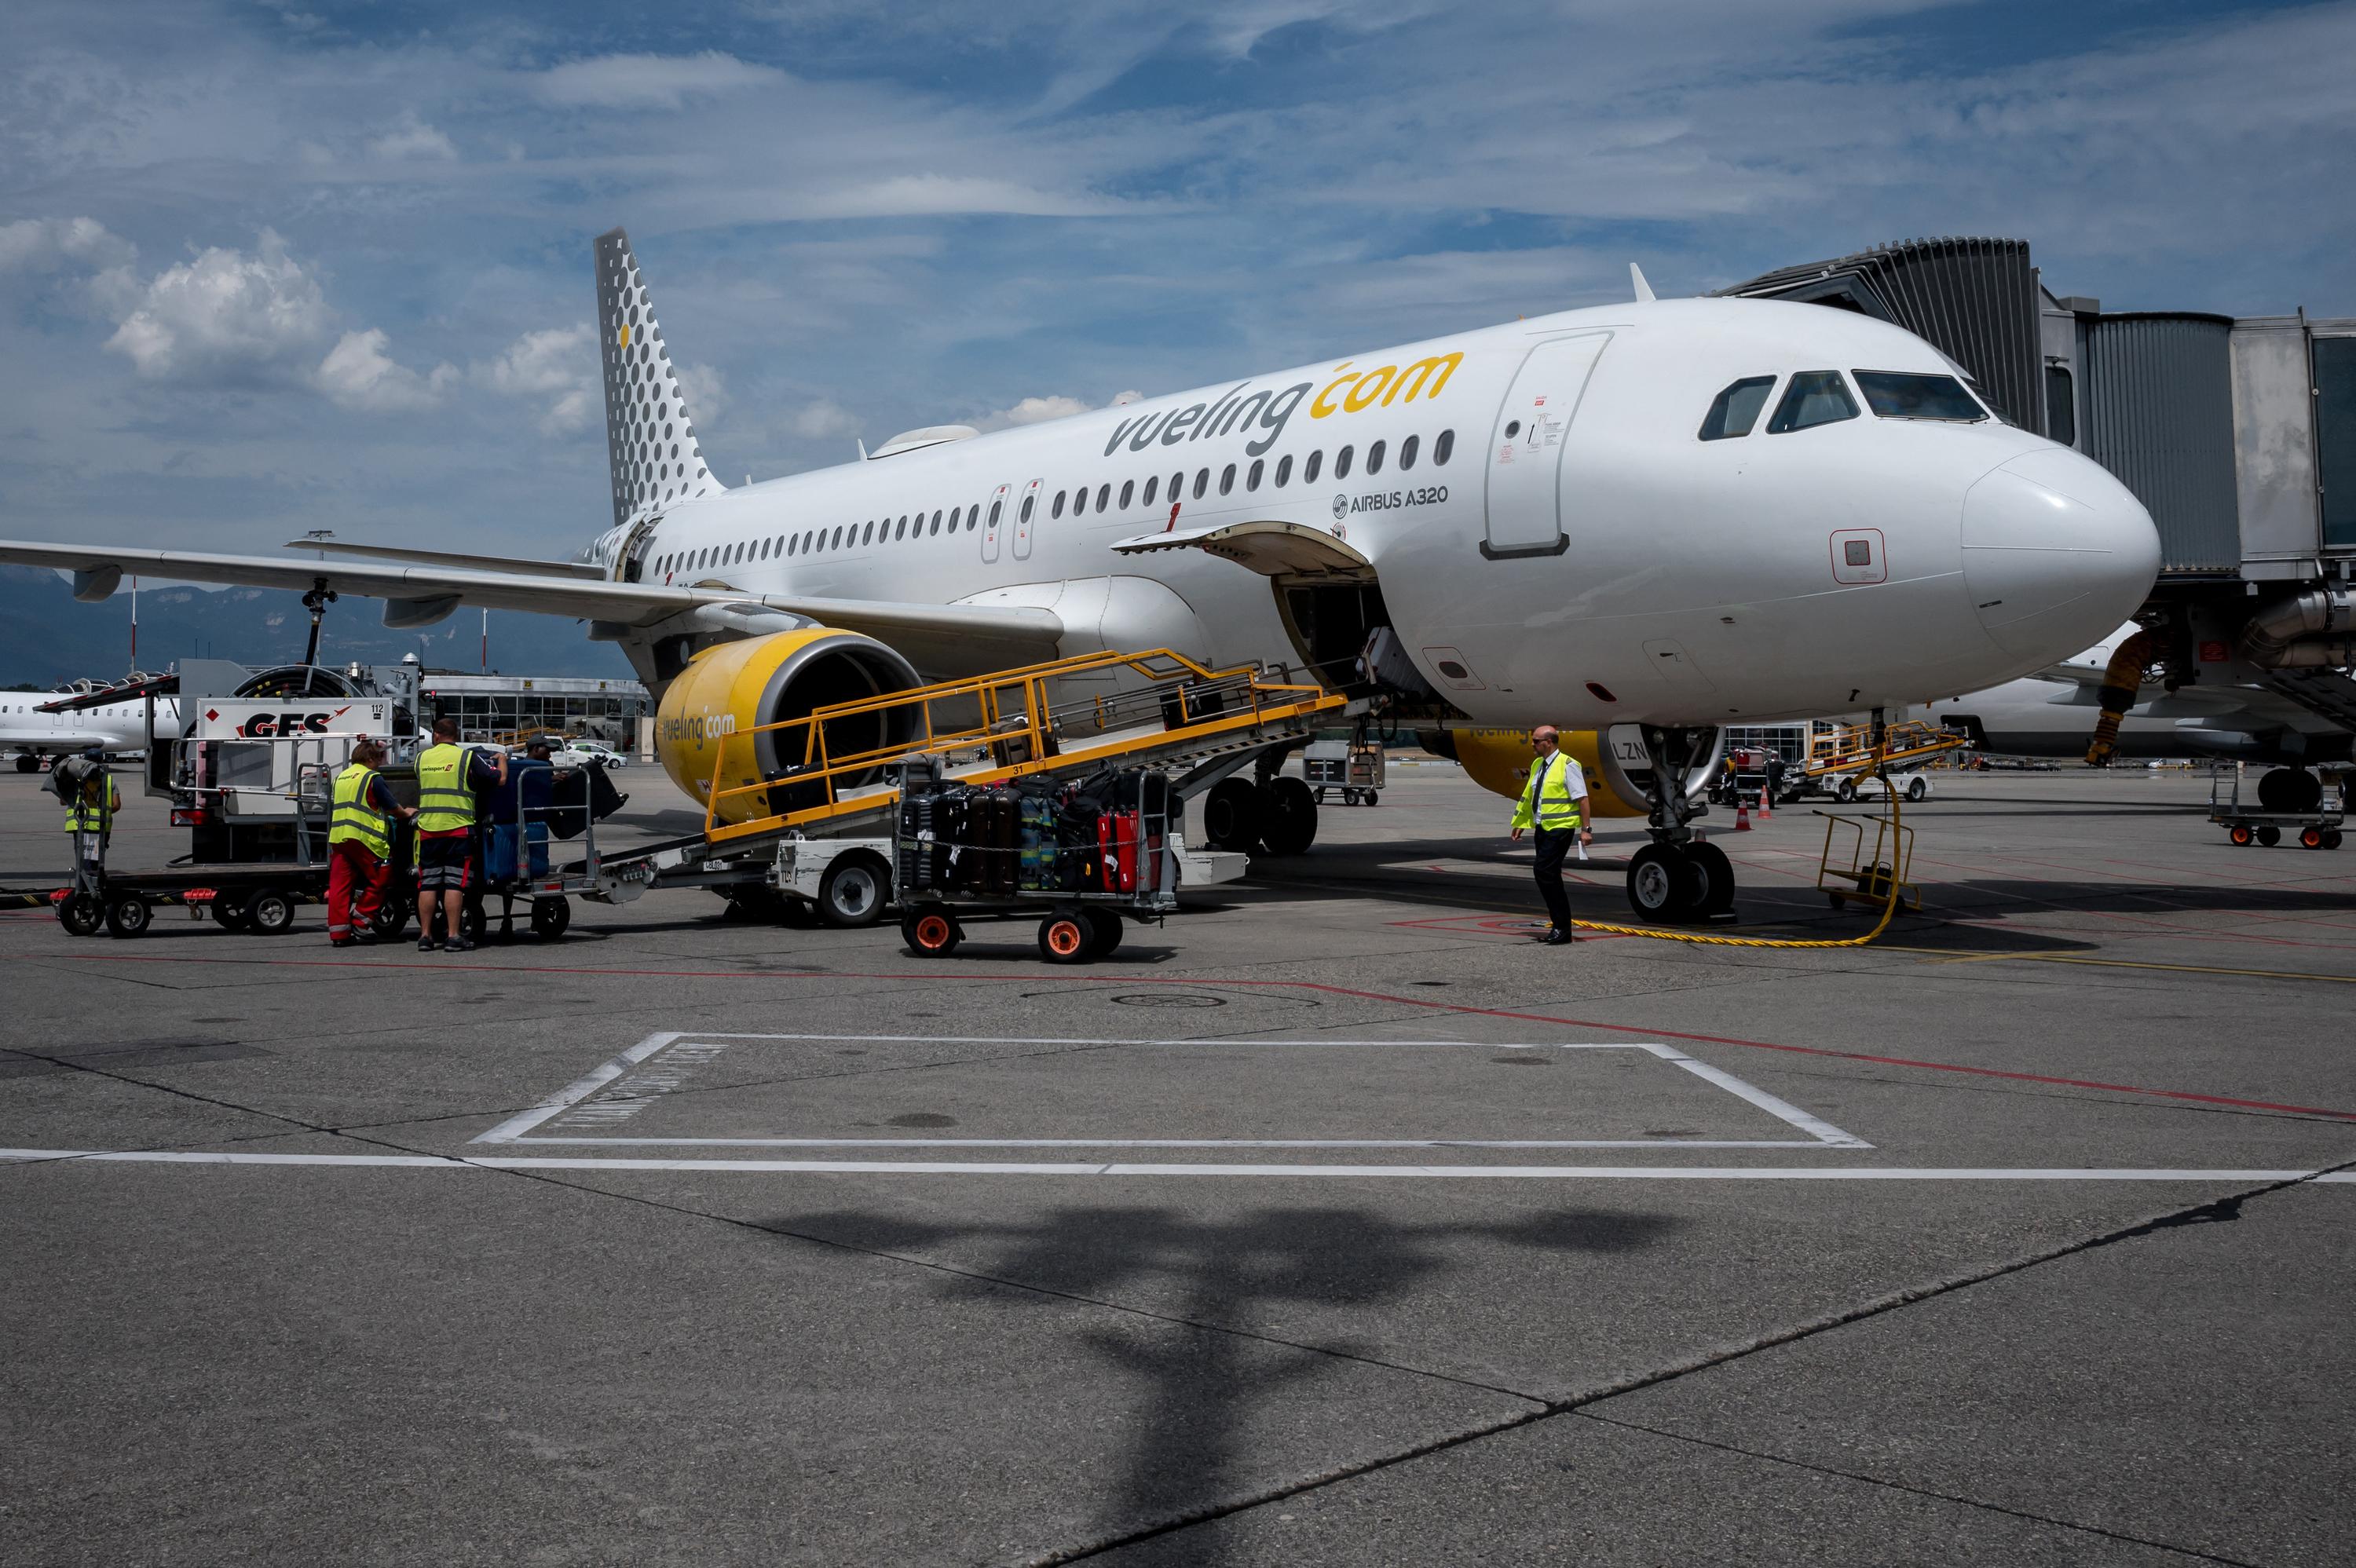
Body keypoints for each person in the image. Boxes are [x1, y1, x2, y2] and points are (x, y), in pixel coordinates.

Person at [413, 716, 506, 952]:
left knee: (428, 884)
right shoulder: (467, 757)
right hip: (457, 830)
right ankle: (453, 936)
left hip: (428, 830)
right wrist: (502, 759)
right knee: (454, 884)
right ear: (456, 736)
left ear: (435, 735)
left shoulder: (421, 759)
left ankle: (425, 936)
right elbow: (500, 779)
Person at [324, 739, 414, 947]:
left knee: (340, 887)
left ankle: (339, 934)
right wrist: (407, 812)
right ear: (370, 758)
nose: (381, 764)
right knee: (382, 876)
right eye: (379, 759)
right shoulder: (371, 778)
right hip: (362, 838)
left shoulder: (341, 777)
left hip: (339, 837)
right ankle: (360, 919)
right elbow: (393, 808)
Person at [1508, 726, 1592, 945]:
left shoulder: (1568, 765)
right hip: (1542, 828)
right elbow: (1530, 796)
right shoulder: (1538, 765)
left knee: (1544, 871)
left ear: (1549, 742)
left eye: (1536, 741)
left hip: (1561, 828)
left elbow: (1582, 798)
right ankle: (1560, 927)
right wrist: (1521, 823)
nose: (1532, 744)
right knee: (1548, 874)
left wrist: (1586, 829)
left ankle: (1562, 927)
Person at [61, 746, 119, 886]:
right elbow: (116, 805)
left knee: (83, 861)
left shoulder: (76, 780)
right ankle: (97, 887)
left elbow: (63, 801)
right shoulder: (109, 779)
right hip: (100, 826)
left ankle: (85, 889)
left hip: (81, 824)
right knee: (96, 861)